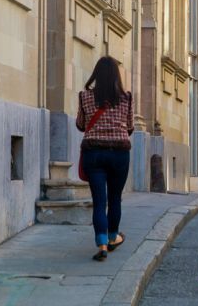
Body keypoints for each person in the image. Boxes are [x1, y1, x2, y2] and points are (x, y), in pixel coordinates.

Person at [76, 56, 133, 262]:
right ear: (116, 76)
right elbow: (130, 126)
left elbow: (81, 124)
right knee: (115, 198)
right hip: (119, 153)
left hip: (94, 153)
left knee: (99, 201)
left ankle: (101, 244)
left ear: (96, 75)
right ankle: (113, 237)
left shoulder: (85, 96)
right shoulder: (126, 98)